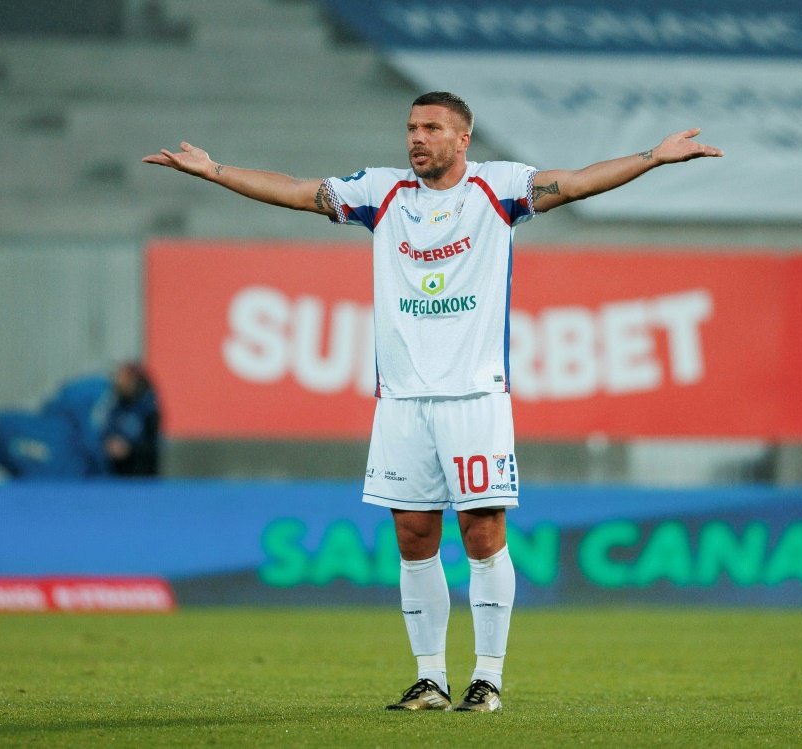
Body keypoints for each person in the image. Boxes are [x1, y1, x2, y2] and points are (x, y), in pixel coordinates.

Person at [143, 91, 722, 711]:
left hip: (474, 395)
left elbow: (576, 183)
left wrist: (652, 158)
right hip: (401, 401)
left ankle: (488, 679)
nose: (416, 138)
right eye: (411, 127)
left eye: (432, 128)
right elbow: (299, 190)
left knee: (482, 532)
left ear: (463, 138)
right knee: (414, 535)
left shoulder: (499, 189)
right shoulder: (381, 192)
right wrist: (216, 171)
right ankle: (431, 679)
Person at [0, 362, 160, 478]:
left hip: (86, 466)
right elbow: (61, 405)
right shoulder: (99, 389)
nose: (123, 377)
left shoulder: (135, 410)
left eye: (130, 378)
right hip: (63, 443)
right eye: (125, 375)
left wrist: (124, 451)